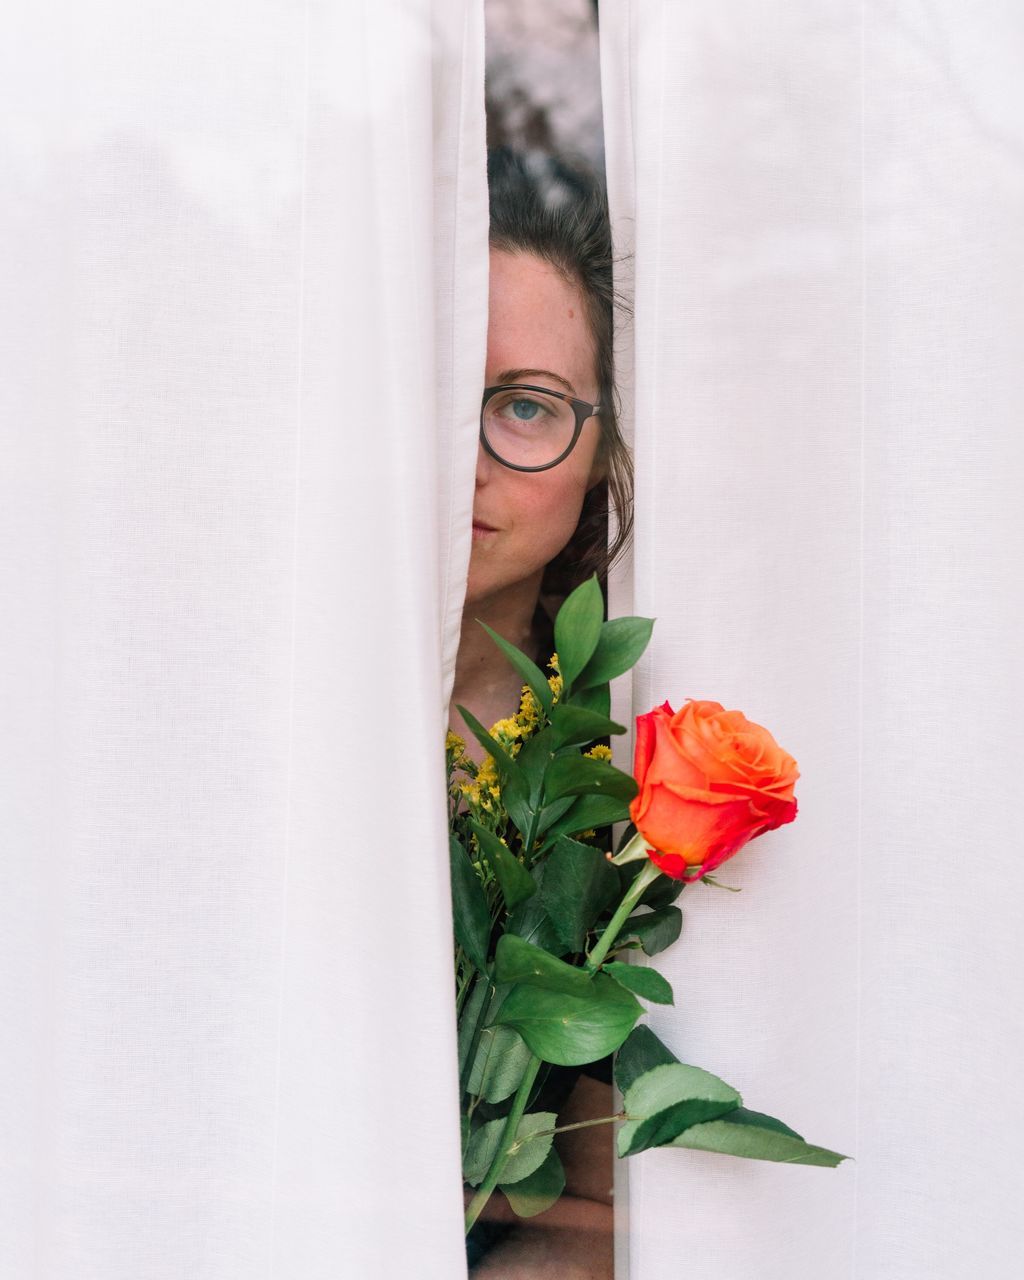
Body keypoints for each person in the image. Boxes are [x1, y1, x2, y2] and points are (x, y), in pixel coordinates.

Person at [450, 148, 633, 1279]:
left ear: (597, 462)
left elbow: (615, 1213)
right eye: (433, 393)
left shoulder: (626, 782)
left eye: (526, 405)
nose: (465, 458)